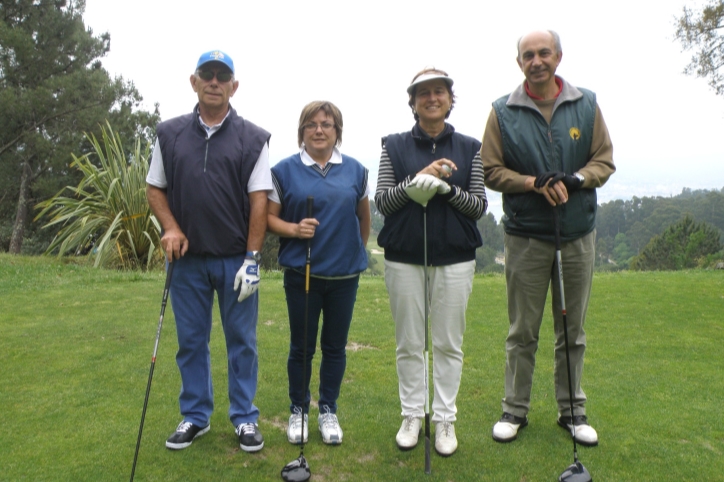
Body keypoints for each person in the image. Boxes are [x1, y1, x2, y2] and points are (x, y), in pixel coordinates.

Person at [480, 30, 615, 446]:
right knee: (523, 330)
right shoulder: (502, 111)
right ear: (518, 62)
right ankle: (514, 410)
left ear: (558, 56)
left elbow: (604, 160)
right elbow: (491, 170)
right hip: (526, 236)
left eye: (543, 53)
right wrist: (532, 183)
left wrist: (574, 179)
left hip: (576, 233)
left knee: (571, 329)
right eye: (527, 55)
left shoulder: (586, 103)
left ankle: (572, 411)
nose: (536, 60)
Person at [146, 50, 272, 453]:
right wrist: (170, 226)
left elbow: (259, 202)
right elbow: (155, 187)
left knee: (242, 340)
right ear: (194, 81)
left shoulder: (252, 138)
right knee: (191, 341)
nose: (214, 82)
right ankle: (196, 416)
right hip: (187, 260)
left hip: (236, 259)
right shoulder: (169, 134)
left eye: (222, 76)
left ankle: (244, 417)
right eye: (207, 75)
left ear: (234, 86)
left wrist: (253, 259)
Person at [374, 68, 487, 456]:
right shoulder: (393, 145)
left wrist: (447, 189)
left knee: (448, 343)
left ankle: (444, 419)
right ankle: (412, 414)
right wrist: (418, 178)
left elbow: (478, 207)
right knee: (409, 342)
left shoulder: (471, 147)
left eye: (439, 92)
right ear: (413, 103)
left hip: (455, 258)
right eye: (423, 93)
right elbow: (384, 202)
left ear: (450, 100)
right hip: (405, 257)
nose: (432, 98)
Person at [267, 101, 370, 446]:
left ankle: (328, 408)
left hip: (344, 276)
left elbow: (362, 217)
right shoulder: (284, 170)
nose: (319, 130)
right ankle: (299, 409)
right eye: (311, 124)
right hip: (303, 273)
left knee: (335, 347)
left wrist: (355, 249)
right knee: (302, 347)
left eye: (326, 124)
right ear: (302, 132)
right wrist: (294, 230)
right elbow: (269, 219)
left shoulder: (356, 170)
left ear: (337, 131)